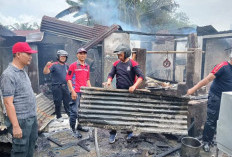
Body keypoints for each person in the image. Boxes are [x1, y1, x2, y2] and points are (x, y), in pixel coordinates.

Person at [187, 53, 232, 152]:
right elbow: (207, 79)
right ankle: (206, 142)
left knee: (223, 121)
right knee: (211, 120)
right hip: (216, 97)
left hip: (228, 99)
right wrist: (193, 89)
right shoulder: (223, 66)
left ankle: (217, 140)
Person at [0, 42, 38, 157]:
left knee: (31, 147)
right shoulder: (8, 75)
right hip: (21, 120)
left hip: (31, 117)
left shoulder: (23, 71)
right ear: (18, 54)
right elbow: (8, 103)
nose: (31, 56)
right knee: (20, 151)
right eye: (28, 54)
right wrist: (16, 127)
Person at [103, 44, 144, 144]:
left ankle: (129, 132)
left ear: (126, 54)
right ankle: (113, 133)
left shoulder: (133, 64)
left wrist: (134, 86)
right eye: (118, 55)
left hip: (129, 94)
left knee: (128, 113)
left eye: (120, 55)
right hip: (118, 92)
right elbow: (111, 74)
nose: (119, 57)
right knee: (115, 113)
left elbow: (141, 76)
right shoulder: (116, 63)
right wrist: (109, 81)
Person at [66, 48, 91, 138]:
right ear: (77, 55)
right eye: (80, 53)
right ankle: (73, 129)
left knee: (82, 111)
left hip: (84, 91)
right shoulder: (73, 65)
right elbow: (68, 78)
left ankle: (79, 126)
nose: (82, 55)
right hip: (75, 92)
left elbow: (87, 79)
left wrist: (90, 90)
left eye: (84, 53)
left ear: (86, 55)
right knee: (74, 111)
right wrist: (72, 91)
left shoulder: (87, 66)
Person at [43, 50, 70, 122]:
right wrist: (46, 65)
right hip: (56, 86)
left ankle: (69, 114)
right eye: (62, 57)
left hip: (65, 86)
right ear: (58, 57)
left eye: (64, 57)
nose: (63, 58)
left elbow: (69, 76)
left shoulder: (67, 66)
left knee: (67, 101)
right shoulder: (54, 65)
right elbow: (45, 72)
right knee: (58, 102)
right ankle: (58, 116)